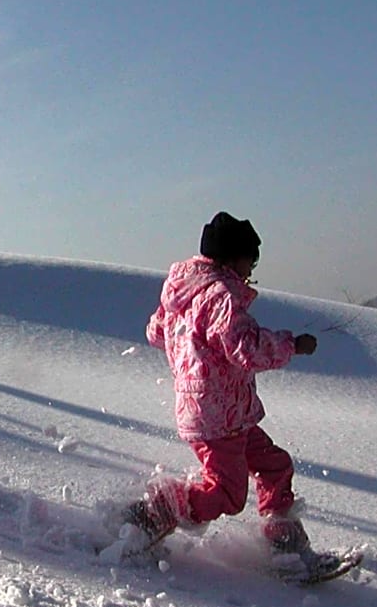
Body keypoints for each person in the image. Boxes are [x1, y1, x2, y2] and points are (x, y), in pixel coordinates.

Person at [130, 211, 319, 556]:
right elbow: (245, 347)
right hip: (217, 415)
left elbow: (156, 332)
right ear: (233, 258)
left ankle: (283, 540)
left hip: (225, 411)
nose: (251, 273)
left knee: (275, 466)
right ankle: (154, 512)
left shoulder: (183, 291)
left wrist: (190, 347)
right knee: (228, 495)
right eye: (251, 261)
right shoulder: (220, 295)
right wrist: (293, 344)